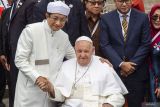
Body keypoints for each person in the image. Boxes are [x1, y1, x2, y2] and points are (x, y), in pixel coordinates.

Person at [14, 1, 75, 107]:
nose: (58, 23)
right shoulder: (31, 31)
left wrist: (97, 60)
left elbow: (75, 57)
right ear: (47, 15)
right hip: (30, 92)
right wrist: (37, 77)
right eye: (55, 18)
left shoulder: (64, 37)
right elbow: (20, 60)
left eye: (63, 20)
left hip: (50, 94)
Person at [43, 36, 128, 107]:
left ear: (92, 50)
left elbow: (118, 96)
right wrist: (51, 89)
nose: (82, 55)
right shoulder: (65, 66)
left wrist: (109, 104)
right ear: (74, 50)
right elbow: (61, 96)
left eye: (86, 51)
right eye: (79, 51)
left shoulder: (103, 65)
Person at [99, 0, 151, 107]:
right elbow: (105, 44)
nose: (123, 4)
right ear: (114, 1)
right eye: (120, 1)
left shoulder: (143, 18)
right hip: (115, 73)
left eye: (126, 1)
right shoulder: (106, 18)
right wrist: (121, 64)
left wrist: (131, 65)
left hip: (137, 73)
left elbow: (145, 44)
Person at [0, 0, 38, 106]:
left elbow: (32, 31)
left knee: (21, 92)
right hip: (9, 58)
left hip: (24, 57)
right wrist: (3, 52)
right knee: (12, 90)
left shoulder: (31, 4)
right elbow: (4, 32)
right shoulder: (7, 11)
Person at [149, 3, 160, 102]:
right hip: (143, 79)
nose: (157, 20)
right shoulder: (145, 32)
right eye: (155, 17)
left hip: (157, 81)